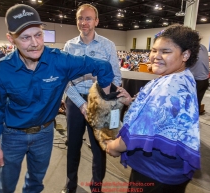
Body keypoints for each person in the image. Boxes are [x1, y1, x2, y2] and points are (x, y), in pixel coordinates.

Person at [0, 4, 114, 193]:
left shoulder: (59, 60)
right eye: (26, 37)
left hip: (44, 134)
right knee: (5, 186)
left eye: (38, 35)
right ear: (11, 39)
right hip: (12, 136)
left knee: (36, 183)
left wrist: (103, 101)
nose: (35, 43)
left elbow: (103, 67)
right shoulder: (3, 70)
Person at [106, 24, 201, 193]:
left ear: (185, 54)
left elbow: (140, 131)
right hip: (169, 172)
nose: (156, 56)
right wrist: (130, 102)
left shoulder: (169, 86)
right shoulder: (181, 76)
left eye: (165, 51)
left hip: (155, 174)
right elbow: (159, 112)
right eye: (154, 50)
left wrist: (113, 146)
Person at [62, 4, 121, 193]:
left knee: (99, 149)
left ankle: (97, 187)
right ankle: (70, 185)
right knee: (73, 147)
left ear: (96, 21)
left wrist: (103, 101)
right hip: (75, 100)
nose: (83, 22)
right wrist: (80, 104)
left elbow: (116, 77)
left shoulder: (108, 45)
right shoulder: (69, 46)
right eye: (80, 18)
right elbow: (65, 80)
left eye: (88, 18)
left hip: (100, 101)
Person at [189, 44, 209, 115]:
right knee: (197, 101)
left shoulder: (190, 49)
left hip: (196, 80)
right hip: (204, 80)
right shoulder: (203, 47)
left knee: (190, 103)